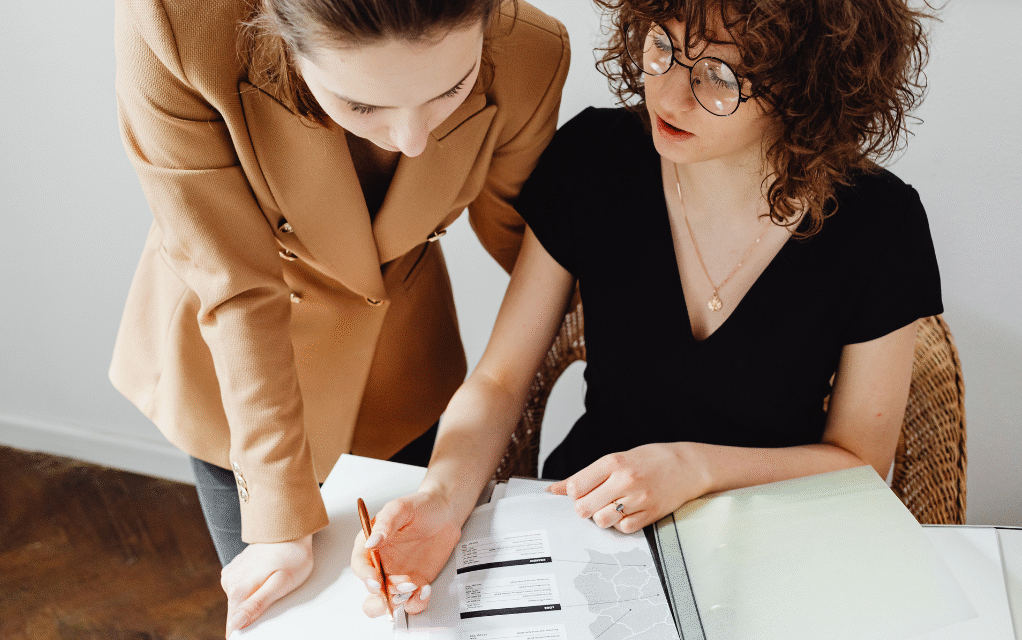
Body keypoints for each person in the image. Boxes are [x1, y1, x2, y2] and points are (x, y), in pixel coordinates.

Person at [351, 0, 940, 618]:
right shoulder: (596, 159)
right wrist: (440, 500)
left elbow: (859, 463)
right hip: (590, 525)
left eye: (718, 77)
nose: (668, 93)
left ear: (807, 89)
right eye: (662, 45)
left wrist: (692, 467)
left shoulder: (881, 224)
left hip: (771, 539)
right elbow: (499, 380)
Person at [109, 0, 569, 635]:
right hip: (239, 377)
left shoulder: (530, 53)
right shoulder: (177, 28)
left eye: (451, 89)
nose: (412, 139)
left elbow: (530, 244)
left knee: (409, 612)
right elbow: (235, 285)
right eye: (362, 106)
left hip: (401, 363)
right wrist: (277, 520)